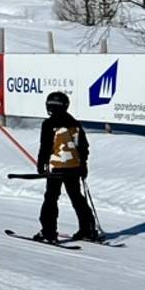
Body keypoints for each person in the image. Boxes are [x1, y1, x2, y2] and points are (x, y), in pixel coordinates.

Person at [35, 91, 102, 243]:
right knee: (76, 197)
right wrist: (83, 166)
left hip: (57, 167)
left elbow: (45, 147)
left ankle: (48, 231)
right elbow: (83, 147)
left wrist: (41, 163)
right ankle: (88, 229)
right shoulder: (75, 123)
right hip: (74, 167)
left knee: (51, 198)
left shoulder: (48, 124)